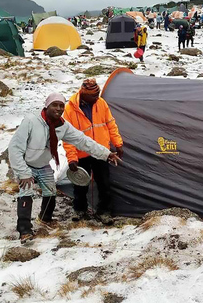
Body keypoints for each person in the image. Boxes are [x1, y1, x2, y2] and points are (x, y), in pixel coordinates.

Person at [8, 93, 121, 243]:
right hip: (25, 164)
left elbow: (83, 141)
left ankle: (44, 220)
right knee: (26, 191)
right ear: (47, 105)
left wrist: (106, 154)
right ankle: (24, 230)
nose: (59, 108)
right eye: (55, 105)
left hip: (43, 165)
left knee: (50, 191)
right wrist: (23, 173)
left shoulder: (62, 126)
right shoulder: (31, 121)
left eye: (61, 105)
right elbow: (14, 148)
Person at [63, 79, 124, 225]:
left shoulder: (101, 103)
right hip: (81, 153)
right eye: (93, 96)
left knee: (104, 183)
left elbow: (111, 124)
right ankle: (79, 210)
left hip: (101, 151)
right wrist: (72, 158)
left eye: (98, 94)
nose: (97, 98)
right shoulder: (70, 109)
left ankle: (104, 212)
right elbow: (67, 137)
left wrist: (118, 143)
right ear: (83, 94)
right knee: (80, 184)